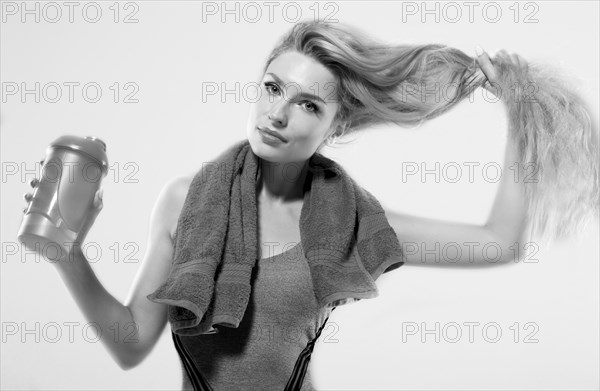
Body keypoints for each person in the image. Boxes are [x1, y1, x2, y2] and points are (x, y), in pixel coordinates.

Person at [26, 19, 598, 390]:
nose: (277, 114)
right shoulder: (185, 202)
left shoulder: (350, 224)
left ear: (336, 122)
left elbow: (499, 242)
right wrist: (66, 255)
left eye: (307, 104)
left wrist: (525, 114)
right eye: (273, 88)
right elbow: (130, 345)